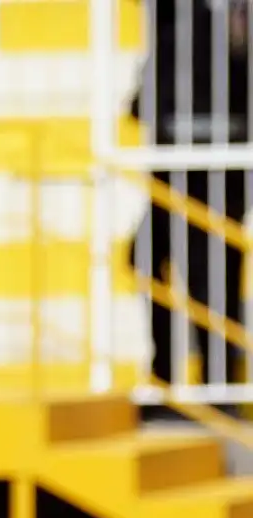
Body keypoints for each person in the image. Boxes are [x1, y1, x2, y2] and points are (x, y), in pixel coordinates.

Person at [130, 0, 249, 410]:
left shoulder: (213, 22)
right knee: (147, 259)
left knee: (210, 280)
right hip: (177, 174)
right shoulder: (175, 25)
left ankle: (216, 389)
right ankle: (170, 381)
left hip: (214, 177)